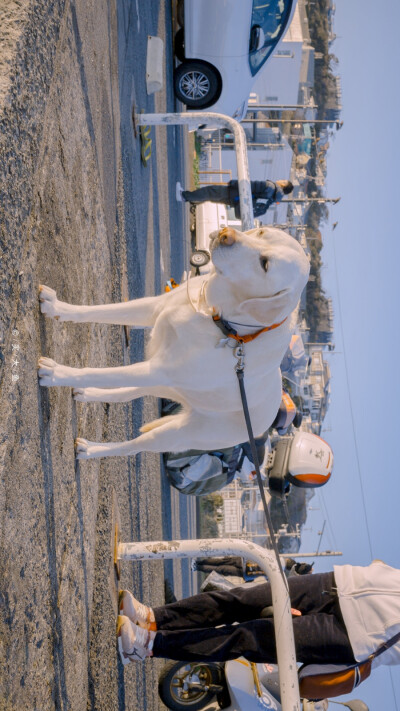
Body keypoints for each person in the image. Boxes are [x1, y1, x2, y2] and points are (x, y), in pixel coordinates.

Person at [117, 559, 400, 674]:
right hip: (348, 582)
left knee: (247, 637)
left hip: (356, 637)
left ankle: (147, 645)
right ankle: (153, 617)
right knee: (241, 598)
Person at [176, 178, 293, 218]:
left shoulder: (270, 186)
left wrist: (234, 182)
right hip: (236, 202)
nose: (280, 180)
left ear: (283, 185)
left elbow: (248, 185)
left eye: (283, 181)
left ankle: (184, 196)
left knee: (210, 191)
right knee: (211, 197)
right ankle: (190, 198)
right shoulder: (272, 199)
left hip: (234, 193)